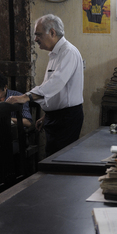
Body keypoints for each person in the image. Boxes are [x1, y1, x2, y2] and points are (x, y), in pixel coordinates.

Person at [6, 14, 84, 157]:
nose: (35, 39)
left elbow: (56, 83)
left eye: (38, 35)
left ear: (52, 32)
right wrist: (47, 115)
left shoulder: (68, 52)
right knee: (52, 158)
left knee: (60, 161)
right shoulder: (55, 54)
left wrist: (26, 97)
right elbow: (50, 87)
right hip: (56, 116)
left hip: (67, 117)